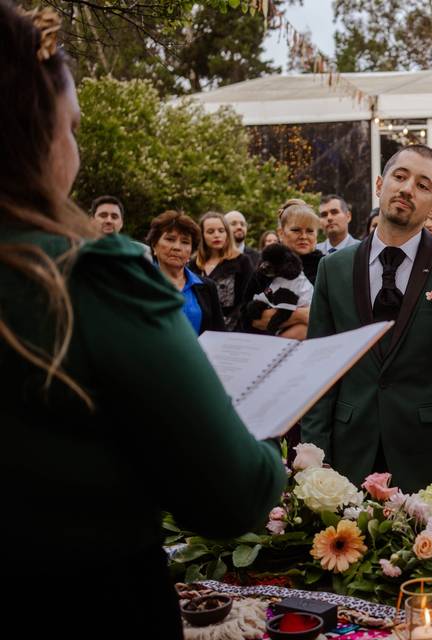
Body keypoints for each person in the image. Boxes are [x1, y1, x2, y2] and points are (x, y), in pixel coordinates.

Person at [0, 5, 286, 635]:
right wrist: (262, 422)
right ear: (31, 133)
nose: (73, 149)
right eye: (69, 127)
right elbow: (230, 494)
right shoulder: (88, 280)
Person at [301, 145, 432, 493]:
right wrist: (313, 453)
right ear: (380, 185)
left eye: (423, 185)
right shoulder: (332, 268)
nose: (408, 188)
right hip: (349, 454)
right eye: (400, 176)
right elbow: (319, 369)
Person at [250, 199, 322, 339]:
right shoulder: (265, 268)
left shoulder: (326, 266)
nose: (304, 236)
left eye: (310, 231)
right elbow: (252, 319)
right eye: (296, 230)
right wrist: (301, 315)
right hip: (269, 351)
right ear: (281, 233)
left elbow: (331, 317)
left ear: (316, 235)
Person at [146, 210, 225, 334]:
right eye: (170, 239)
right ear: (154, 245)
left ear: (191, 251)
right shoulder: (139, 284)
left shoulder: (207, 287)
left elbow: (219, 334)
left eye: (185, 242)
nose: (177, 247)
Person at [188, 211, 254, 331]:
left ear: (227, 233)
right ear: (202, 235)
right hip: (199, 329)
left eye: (221, 230)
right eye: (210, 231)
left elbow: (247, 299)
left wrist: (227, 325)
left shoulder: (242, 261)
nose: (217, 235)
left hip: (233, 330)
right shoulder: (194, 264)